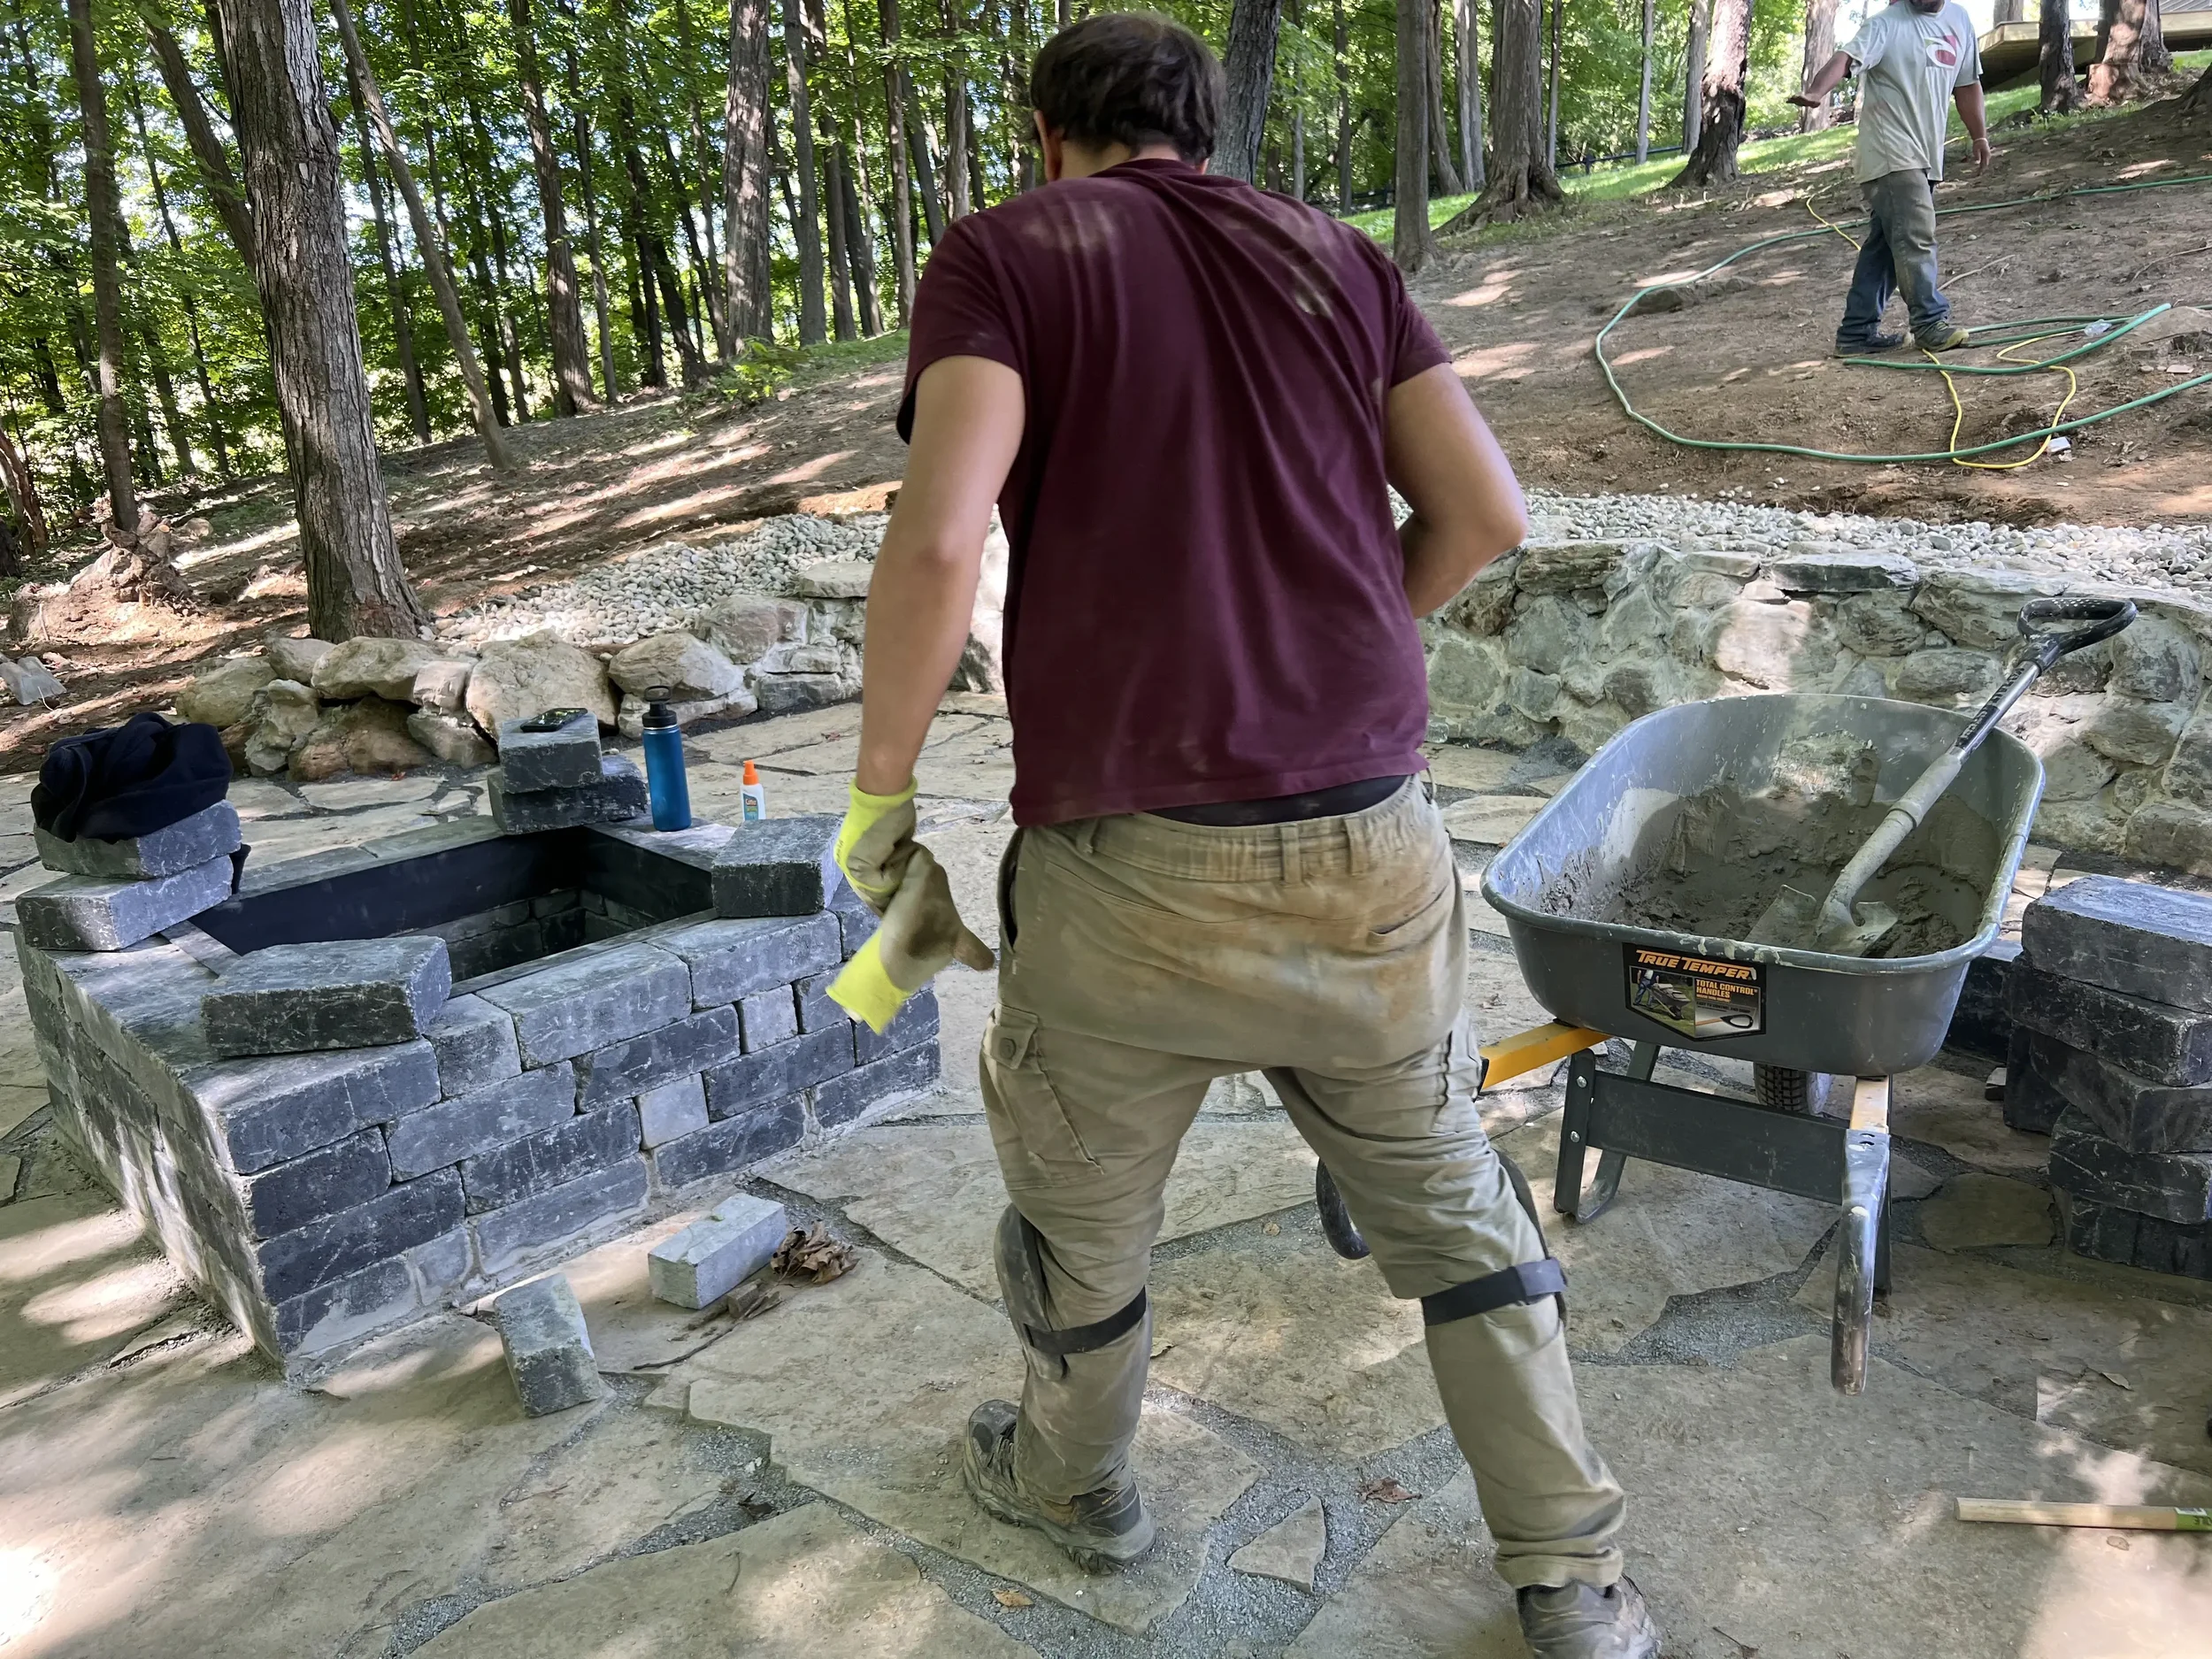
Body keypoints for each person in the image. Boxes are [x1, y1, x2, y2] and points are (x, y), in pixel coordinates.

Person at [826, 13, 1658, 1657]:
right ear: (1205, 134)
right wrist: (1338, 656)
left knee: (1083, 1230)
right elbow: (1485, 512)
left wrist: (880, 797)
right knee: (1458, 1222)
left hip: (1126, 877)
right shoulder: (1336, 257)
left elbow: (936, 541)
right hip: (1369, 852)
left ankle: (1081, 1490)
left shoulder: (1009, 252)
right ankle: (1574, 1580)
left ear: (1050, 136)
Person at [1793, 0, 1992, 357]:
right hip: (1891, 153)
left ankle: (1856, 332)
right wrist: (1816, 92)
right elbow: (1845, 59)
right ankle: (1929, 323)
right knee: (1916, 234)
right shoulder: (1885, 24)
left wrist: (1980, 136)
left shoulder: (1959, 21)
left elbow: (1967, 85)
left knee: (1885, 247)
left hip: (1925, 155)